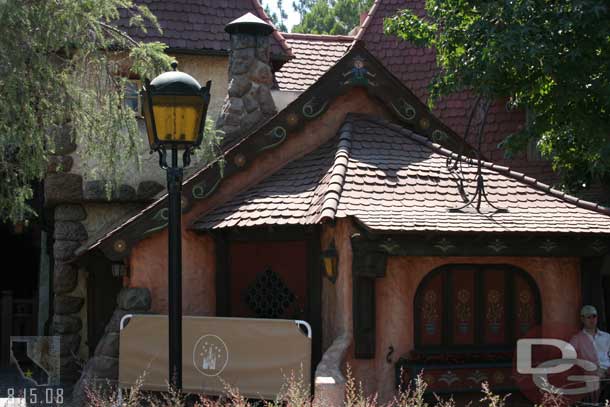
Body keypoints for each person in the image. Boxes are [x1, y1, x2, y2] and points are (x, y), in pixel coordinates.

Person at [570, 305, 610, 403]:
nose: (592, 319)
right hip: (591, 375)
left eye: (594, 316)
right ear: (582, 319)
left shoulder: (606, 336)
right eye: (588, 317)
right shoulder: (577, 339)